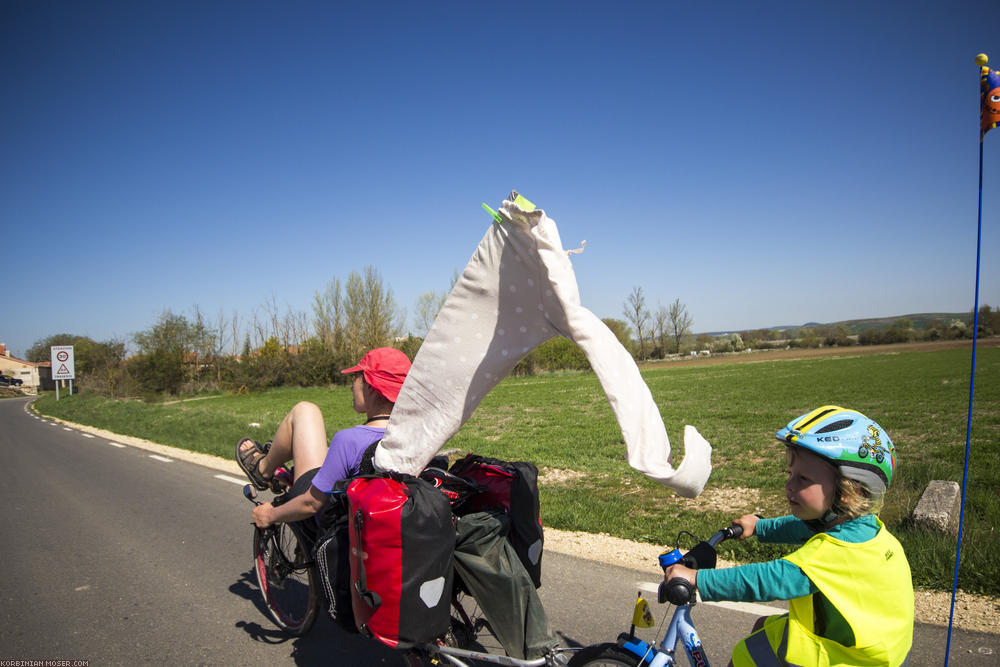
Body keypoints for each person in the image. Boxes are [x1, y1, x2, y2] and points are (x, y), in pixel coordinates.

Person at [663, 406, 913, 666]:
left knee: (746, 656)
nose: (789, 485)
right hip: (876, 646)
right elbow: (803, 527)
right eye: (790, 474)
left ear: (850, 490)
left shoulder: (837, 553)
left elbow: (772, 579)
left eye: (803, 478)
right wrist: (760, 527)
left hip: (851, 659)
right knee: (763, 626)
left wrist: (698, 580)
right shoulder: (862, 529)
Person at [235, 347, 411, 535]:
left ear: (371, 386)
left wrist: (269, 515)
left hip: (329, 521)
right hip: (377, 525)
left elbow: (311, 504)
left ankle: (263, 468)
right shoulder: (412, 438)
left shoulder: (348, 440)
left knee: (305, 410)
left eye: (357, 377)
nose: (352, 386)